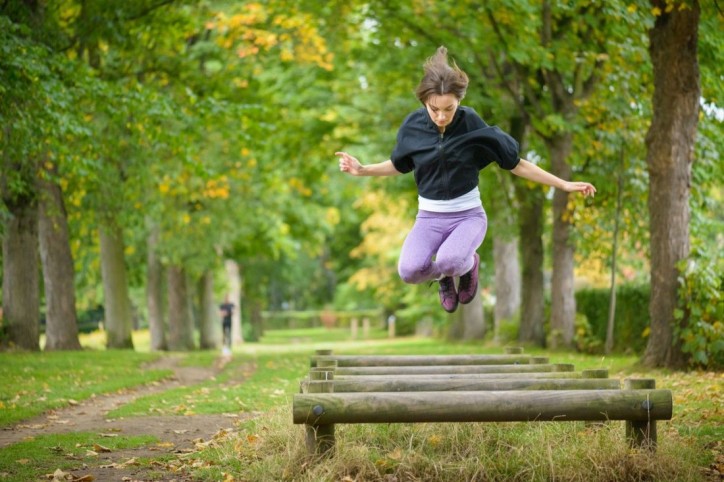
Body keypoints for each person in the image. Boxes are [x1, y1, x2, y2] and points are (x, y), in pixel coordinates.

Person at [336, 46, 596, 313]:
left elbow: (515, 164)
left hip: (468, 217)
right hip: (429, 218)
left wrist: (563, 184)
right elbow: (399, 164)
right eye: (433, 109)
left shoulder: (471, 123)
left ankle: (468, 265)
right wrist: (362, 169)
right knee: (410, 271)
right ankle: (444, 278)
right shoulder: (412, 127)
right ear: (424, 101)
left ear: (459, 100)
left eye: (448, 109)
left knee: (450, 259)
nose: (440, 117)